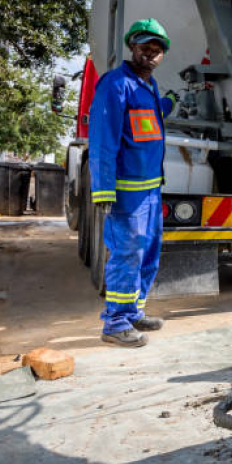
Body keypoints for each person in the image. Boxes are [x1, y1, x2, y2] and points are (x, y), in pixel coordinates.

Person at [89, 18, 177, 347]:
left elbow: (149, 119)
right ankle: (114, 323)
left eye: (158, 49)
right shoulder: (116, 84)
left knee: (148, 253)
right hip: (127, 193)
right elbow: (102, 140)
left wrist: (169, 102)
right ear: (133, 47)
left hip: (151, 191)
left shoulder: (148, 87)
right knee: (127, 254)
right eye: (145, 46)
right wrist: (102, 189)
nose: (152, 53)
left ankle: (134, 312)